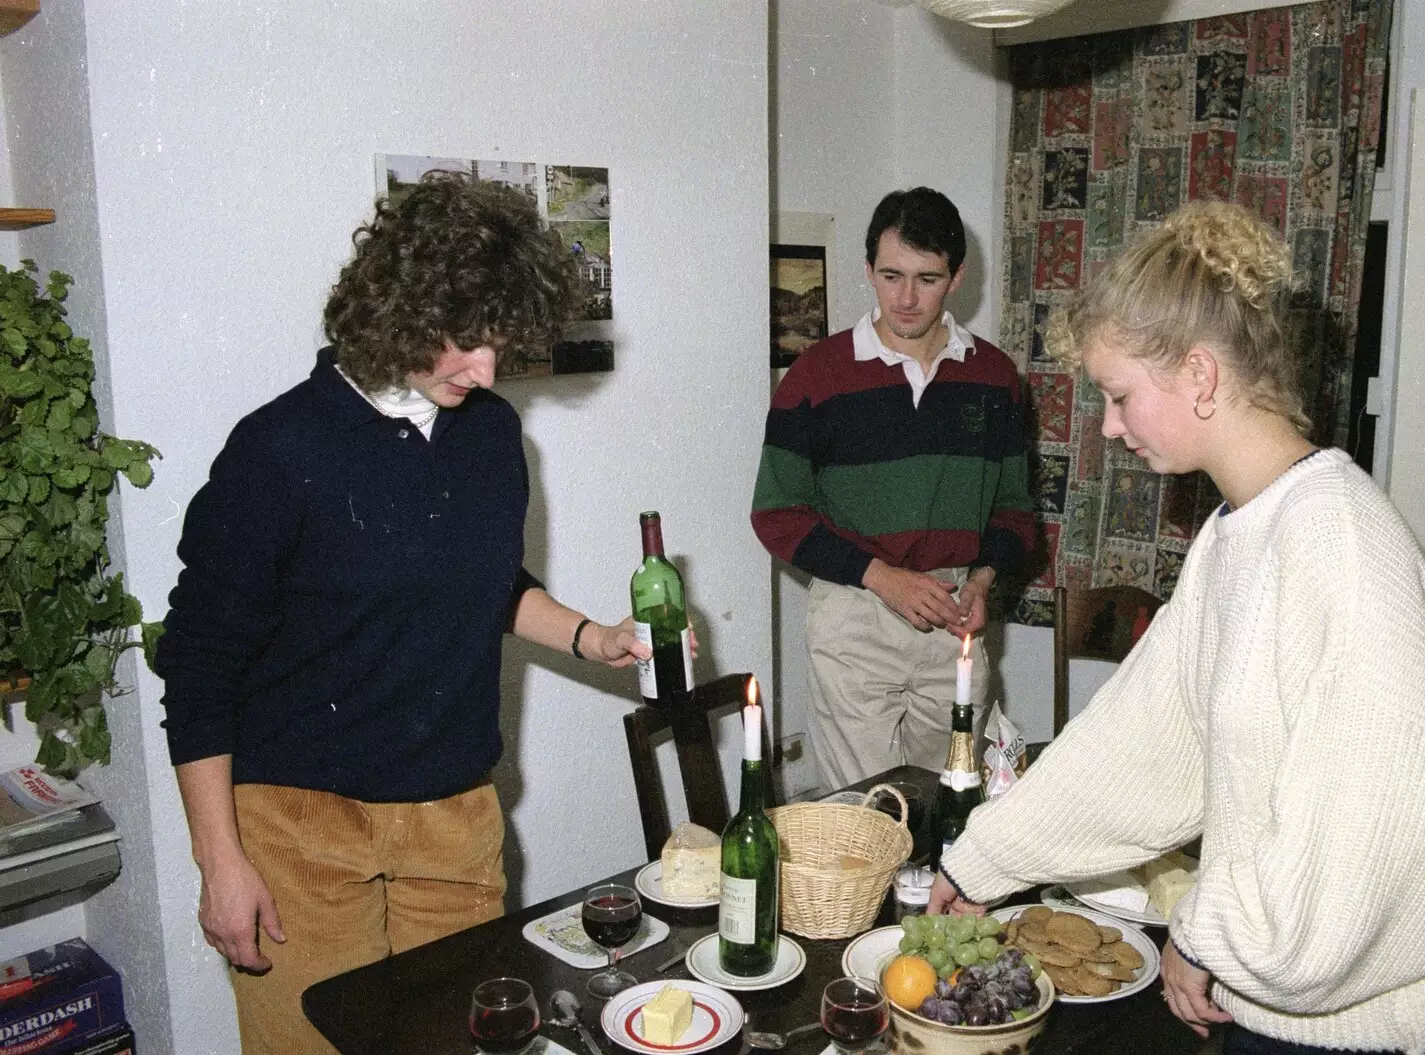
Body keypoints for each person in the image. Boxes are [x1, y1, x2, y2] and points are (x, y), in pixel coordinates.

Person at [927, 201, 1425, 1055]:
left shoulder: (1338, 540)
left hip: (1372, 1019)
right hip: (1287, 987)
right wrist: (979, 860)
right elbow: (1145, 737)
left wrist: (1208, 936)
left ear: (1200, 376)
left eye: (1120, 394)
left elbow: (1378, 829)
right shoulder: (1238, 532)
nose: (1111, 425)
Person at [155, 171, 649, 1055]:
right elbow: (197, 663)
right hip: (299, 828)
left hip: (454, 819)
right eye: (464, 341)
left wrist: (590, 636)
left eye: (499, 342)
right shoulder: (279, 449)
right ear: (397, 310)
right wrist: (219, 863)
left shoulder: (492, 434)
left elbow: (483, 582)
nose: (486, 369)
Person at [751, 187, 1033, 788]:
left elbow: (1014, 509)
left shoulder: (994, 377)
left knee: (950, 802)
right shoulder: (815, 376)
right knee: (868, 814)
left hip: (955, 615)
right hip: (856, 614)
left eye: (927, 279)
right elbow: (777, 514)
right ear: (867, 271)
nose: (905, 298)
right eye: (891, 275)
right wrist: (882, 577)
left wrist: (983, 580)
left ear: (956, 277)